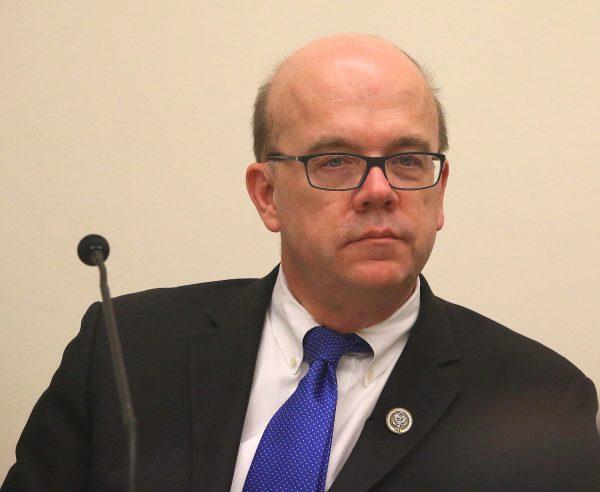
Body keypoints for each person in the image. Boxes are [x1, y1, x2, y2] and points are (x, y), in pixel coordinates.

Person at [3, 34, 600, 491]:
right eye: (335, 161)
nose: (379, 190)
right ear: (266, 195)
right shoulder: (124, 352)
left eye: (409, 160)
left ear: (439, 193)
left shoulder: (540, 402)